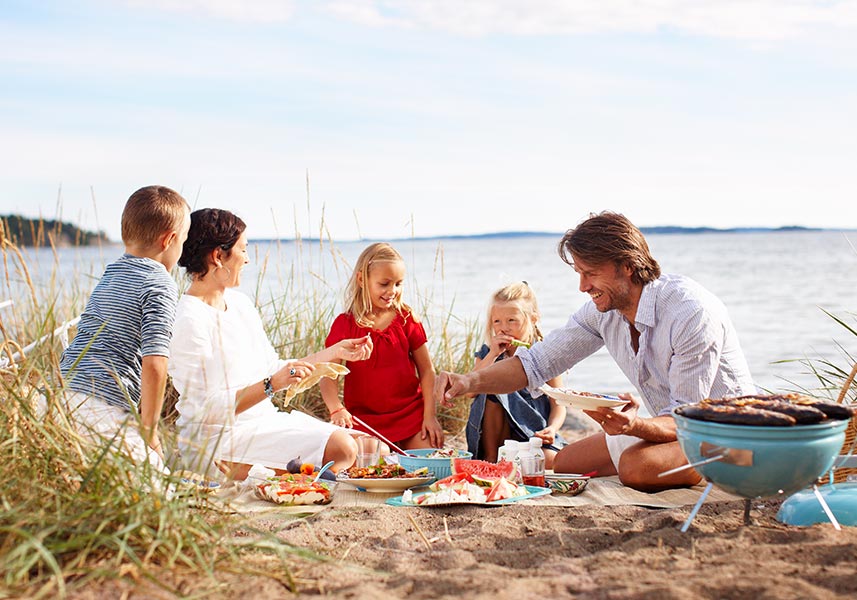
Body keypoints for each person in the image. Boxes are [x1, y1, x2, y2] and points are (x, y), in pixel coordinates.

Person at [436, 212, 756, 492]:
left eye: (590, 273)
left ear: (627, 266)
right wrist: (468, 381)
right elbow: (535, 363)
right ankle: (672, 460)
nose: (582, 286)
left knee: (635, 467)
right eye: (579, 273)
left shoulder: (690, 312)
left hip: (727, 437)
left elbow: (688, 419)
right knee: (566, 463)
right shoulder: (602, 313)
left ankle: (719, 470)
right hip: (670, 429)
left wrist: (634, 427)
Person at [167, 209, 373, 480]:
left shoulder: (240, 304)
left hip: (265, 422)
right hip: (218, 437)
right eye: (243, 249)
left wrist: (334, 352)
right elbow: (205, 409)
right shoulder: (188, 319)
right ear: (218, 256)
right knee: (344, 449)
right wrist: (272, 384)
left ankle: (292, 475)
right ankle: (262, 474)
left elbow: (274, 368)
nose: (247, 258)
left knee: (367, 446)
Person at [59, 185, 191, 473]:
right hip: (101, 409)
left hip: (62, 395)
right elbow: (155, 363)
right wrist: (150, 433)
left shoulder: (112, 271)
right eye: (183, 240)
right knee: (158, 485)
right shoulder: (160, 283)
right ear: (169, 240)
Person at [320, 242, 444, 450]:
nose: (392, 291)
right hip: (365, 421)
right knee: (377, 460)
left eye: (398, 284)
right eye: (384, 284)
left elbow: (427, 371)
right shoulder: (345, 324)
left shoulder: (407, 319)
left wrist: (429, 417)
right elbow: (328, 375)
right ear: (362, 279)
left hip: (410, 417)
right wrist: (336, 409)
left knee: (429, 457)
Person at [466, 282, 567, 467]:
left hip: (532, 432)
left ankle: (512, 461)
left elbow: (559, 403)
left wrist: (552, 428)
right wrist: (493, 354)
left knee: (553, 461)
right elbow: (471, 392)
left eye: (511, 320)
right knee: (493, 387)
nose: (503, 328)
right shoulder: (488, 352)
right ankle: (490, 459)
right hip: (498, 437)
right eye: (497, 321)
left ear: (533, 319)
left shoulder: (543, 353)